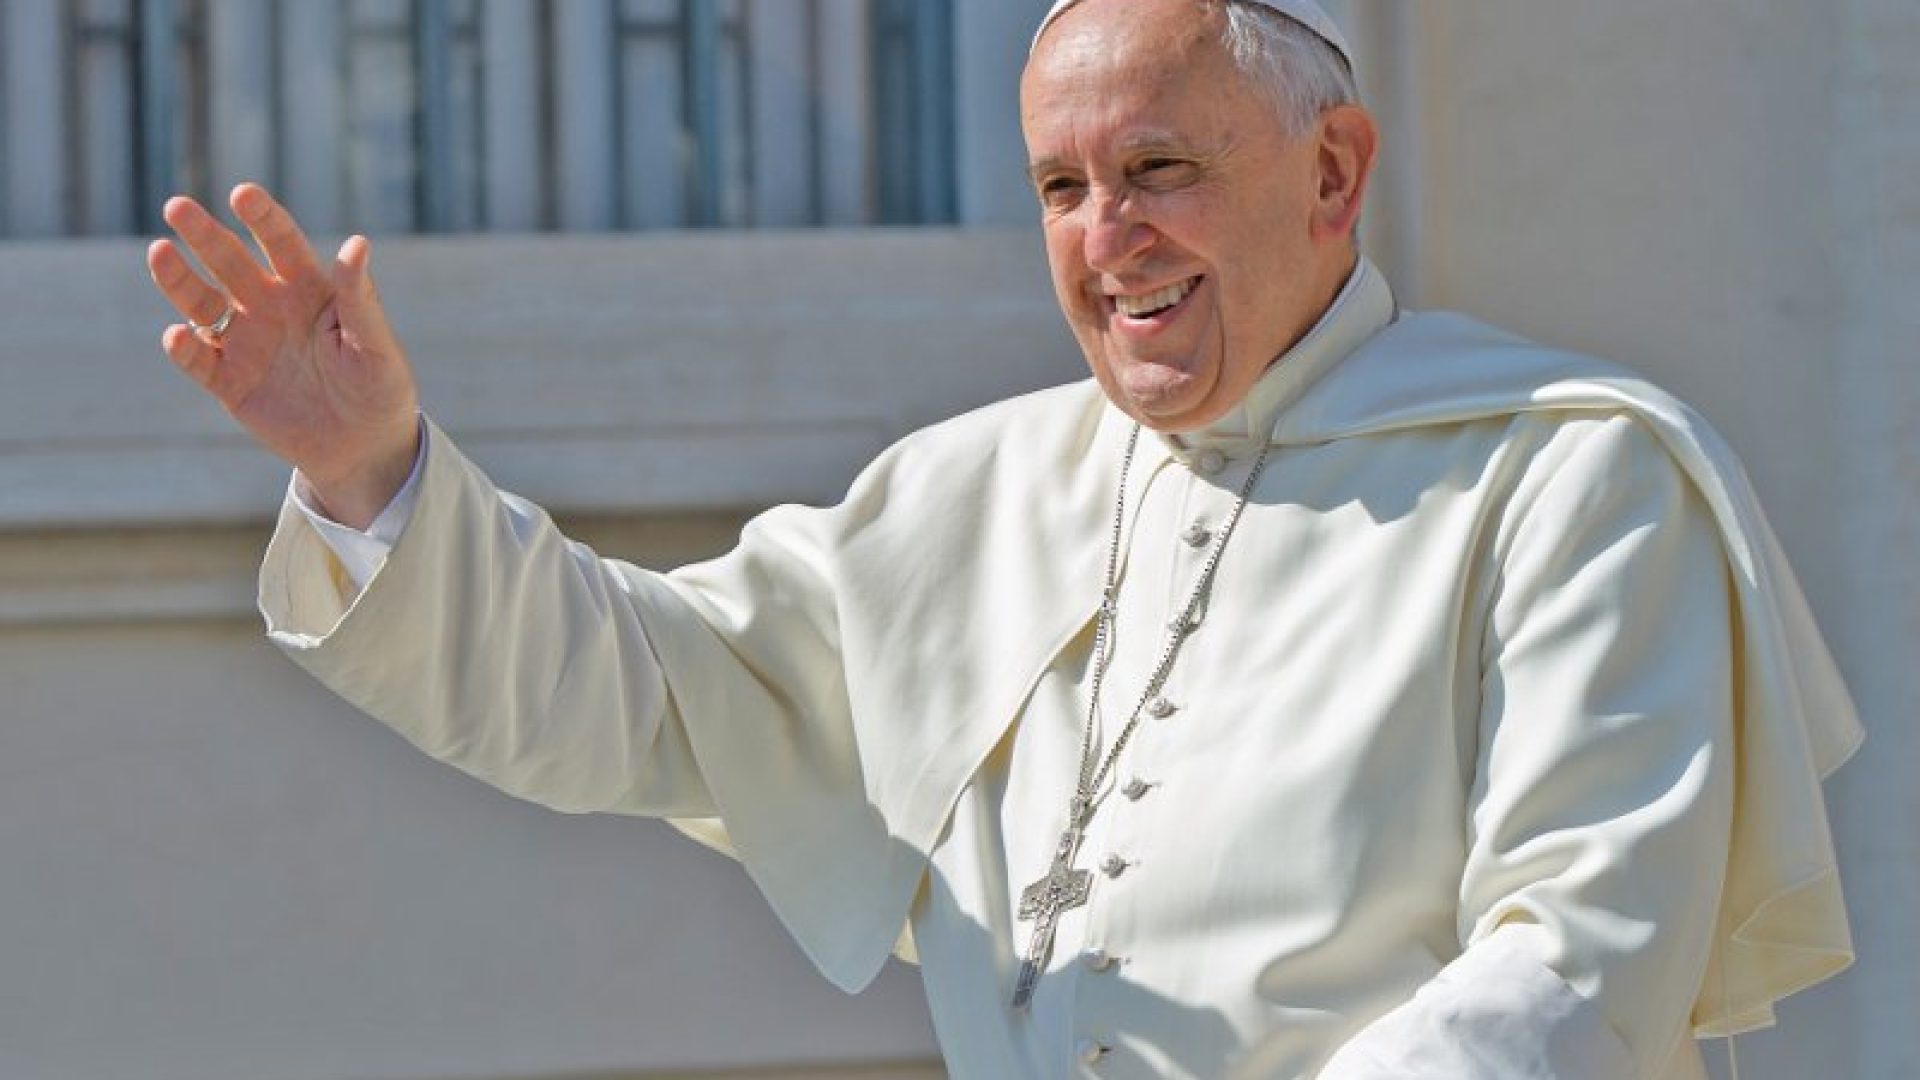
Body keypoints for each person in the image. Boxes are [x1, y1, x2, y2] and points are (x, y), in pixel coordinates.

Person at [144, 0, 1860, 1076]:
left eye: (1161, 168)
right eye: (1060, 187)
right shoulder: (973, 495)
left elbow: (1579, 964)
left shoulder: (1566, 480)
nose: (1107, 239)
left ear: (1334, 173)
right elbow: (648, 697)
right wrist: (378, 470)